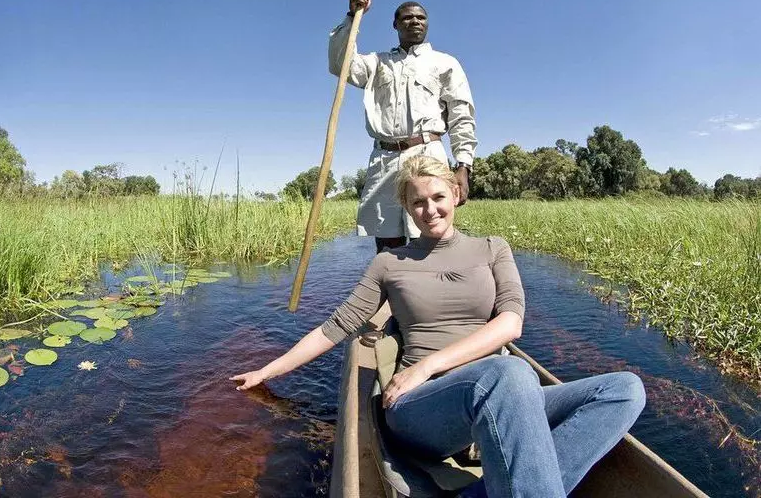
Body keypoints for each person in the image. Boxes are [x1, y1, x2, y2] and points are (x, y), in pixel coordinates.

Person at [231, 155, 646, 497]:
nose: (430, 210)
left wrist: (427, 365)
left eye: (438, 197)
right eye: (417, 203)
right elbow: (335, 327)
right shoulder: (389, 263)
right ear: (407, 209)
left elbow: (511, 323)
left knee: (624, 390)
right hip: (421, 408)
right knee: (509, 372)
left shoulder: (492, 249)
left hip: (489, 389)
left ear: (456, 194)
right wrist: (267, 371)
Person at [329, 0, 478, 253]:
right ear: (395, 24)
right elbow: (340, 64)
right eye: (407, 18)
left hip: (427, 154)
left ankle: (431, 292)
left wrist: (463, 166)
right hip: (384, 159)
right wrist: (353, 17)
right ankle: (390, 292)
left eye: (421, 18)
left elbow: (461, 117)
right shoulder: (377, 63)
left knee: (430, 233)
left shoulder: (445, 63)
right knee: (387, 243)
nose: (415, 22)